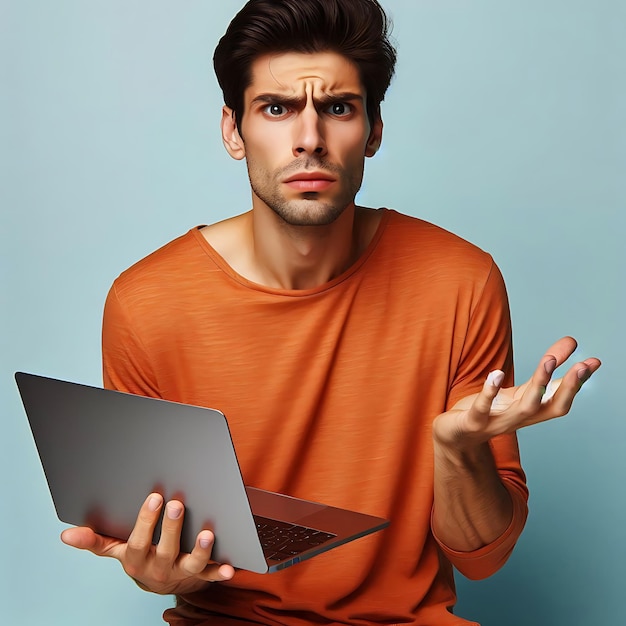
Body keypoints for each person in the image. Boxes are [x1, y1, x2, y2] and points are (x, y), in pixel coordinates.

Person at [61, 1, 601, 624]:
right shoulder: (146, 302)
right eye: (277, 108)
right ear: (234, 131)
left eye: (338, 108)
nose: (310, 138)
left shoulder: (461, 280)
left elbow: (484, 558)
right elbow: (153, 533)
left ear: (372, 129)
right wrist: (154, 567)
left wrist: (455, 449)